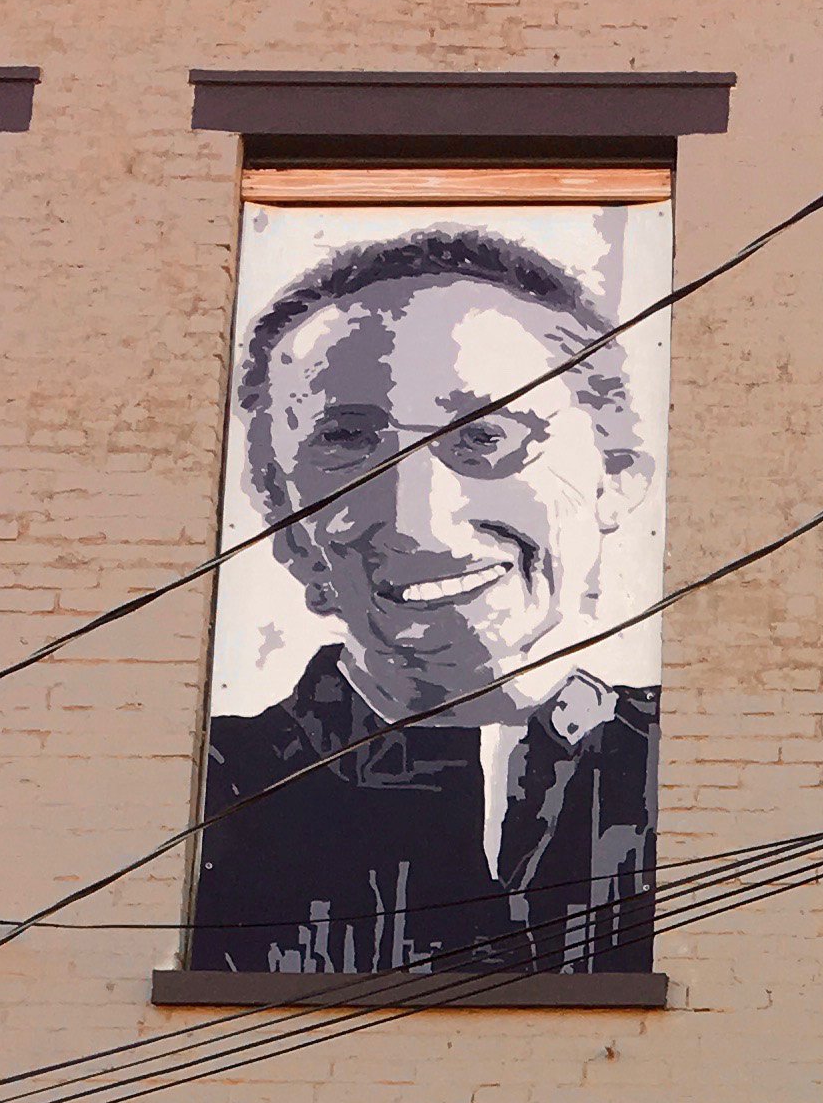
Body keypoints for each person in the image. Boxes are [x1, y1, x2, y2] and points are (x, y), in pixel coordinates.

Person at [190, 229, 659, 978]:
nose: (423, 523)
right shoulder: (207, 789)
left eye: (487, 437)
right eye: (347, 445)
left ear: (617, 474)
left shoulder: (693, 764)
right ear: (283, 520)